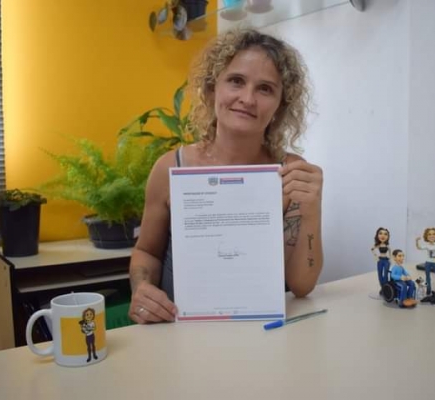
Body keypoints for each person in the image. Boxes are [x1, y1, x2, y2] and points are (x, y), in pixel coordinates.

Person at [128, 29, 324, 324]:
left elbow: (301, 285)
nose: (247, 98)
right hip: (181, 332)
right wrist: (141, 289)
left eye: (265, 89)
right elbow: (146, 252)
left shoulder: (290, 174)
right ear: (211, 89)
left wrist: (311, 211)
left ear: (280, 106)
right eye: (236, 81)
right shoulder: (171, 168)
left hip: (263, 330)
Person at [415, 227, 435, 295]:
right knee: (428, 277)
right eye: (429, 234)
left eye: (433, 234)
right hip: (428, 263)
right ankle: (428, 289)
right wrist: (417, 241)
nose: (432, 236)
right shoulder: (427, 246)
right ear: (426, 236)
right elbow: (419, 247)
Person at [371, 227, 390, 292]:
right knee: (380, 274)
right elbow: (372, 249)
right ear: (377, 235)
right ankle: (382, 287)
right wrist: (376, 256)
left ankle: (386, 288)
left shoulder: (387, 245)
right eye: (380, 233)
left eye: (385, 234)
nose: (383, 236)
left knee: (386, 274)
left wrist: (390, 259)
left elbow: (390, 252)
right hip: (380, 260)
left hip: (386, 260)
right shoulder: (378, 245)